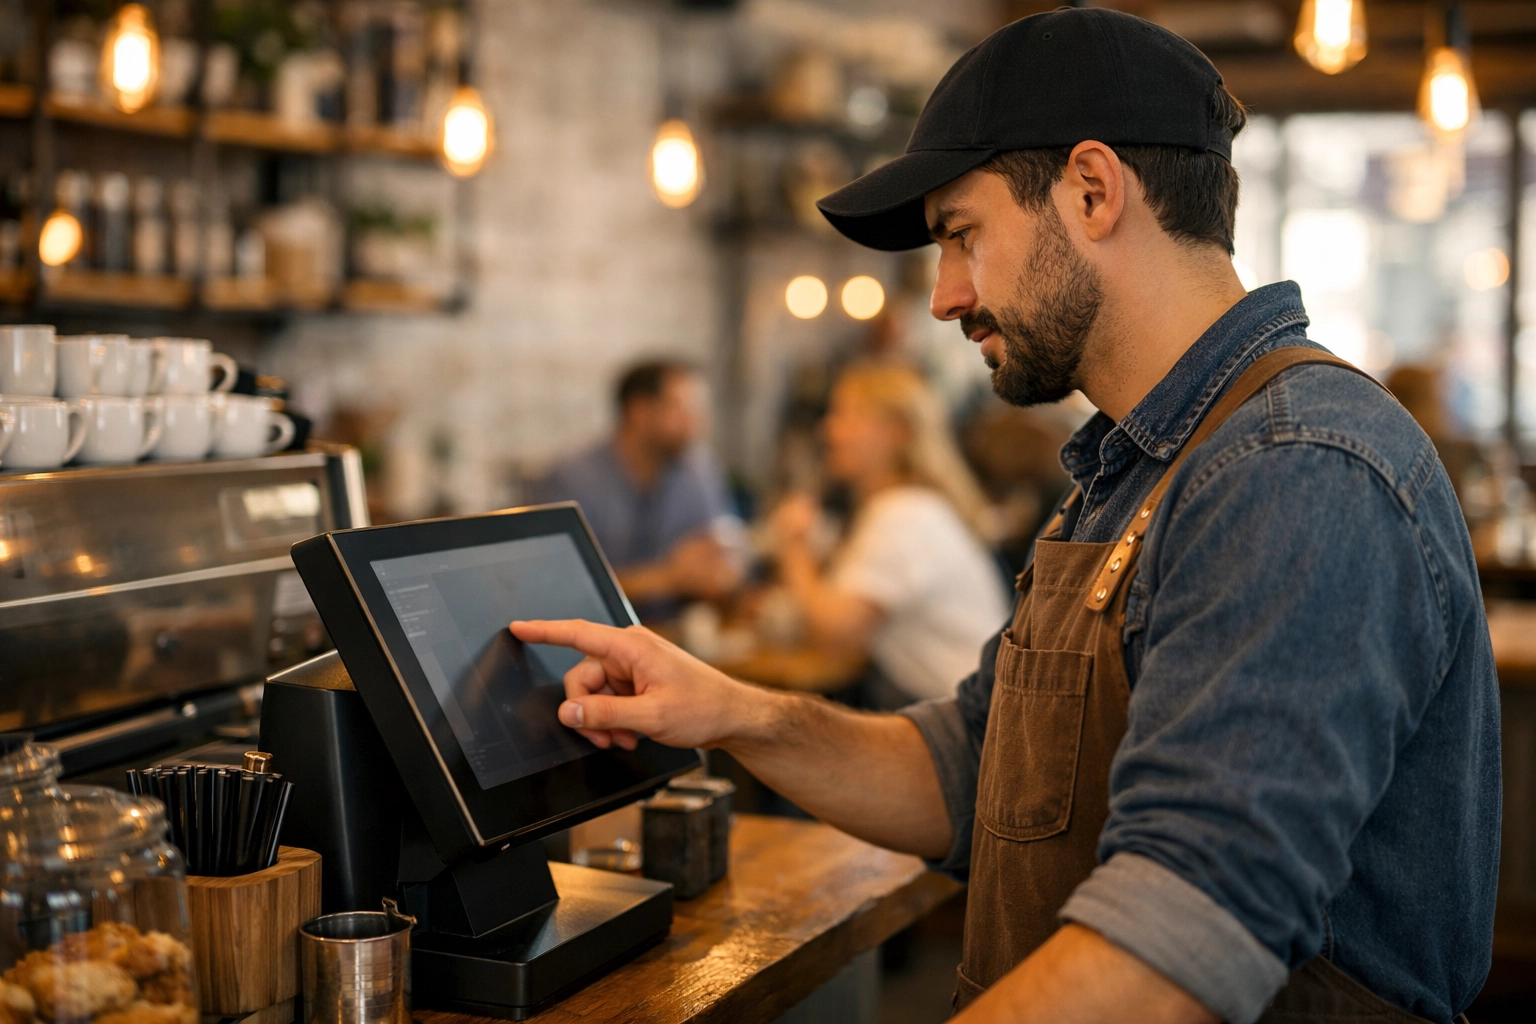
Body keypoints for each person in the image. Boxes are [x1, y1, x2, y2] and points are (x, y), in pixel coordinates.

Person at [513, 10, 1498, 1024]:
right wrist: (734, 712)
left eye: (960, 235)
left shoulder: (1292, 469)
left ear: (1092, 189)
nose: (943, 297)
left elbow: (1180, 944)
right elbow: (968, 769)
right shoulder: (1128, 472)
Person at [768, 362, 1008, 704]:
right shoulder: (909, 507)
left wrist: (793, 545)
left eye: (845, 415)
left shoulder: (906, 515)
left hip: (972, 727)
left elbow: (836, 635)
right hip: (964, 708)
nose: (828, 429)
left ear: (896, 431)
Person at [527, 360, 741, 619]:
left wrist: (723, 569)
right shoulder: (572, 480)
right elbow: (553, 587)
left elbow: (731, 551)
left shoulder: (696, 470)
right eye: (682, 411)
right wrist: (667, 577)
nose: (696, 424)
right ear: (639, 411)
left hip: (675, 639)